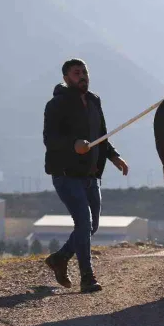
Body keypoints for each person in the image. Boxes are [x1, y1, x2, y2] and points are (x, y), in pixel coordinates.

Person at [42, 58, 129, 292]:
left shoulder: (93, 101)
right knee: (84, 223)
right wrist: (74, 144)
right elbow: (50, 140)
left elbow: (101, 135)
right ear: (66, 78)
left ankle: (59, 258)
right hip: (66, 175)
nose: (82, 76)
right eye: (76, 73)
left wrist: (114, 156)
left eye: (84, 72)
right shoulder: (56, 105)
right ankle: (87, 277)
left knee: (91, 226)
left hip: (91, 176)